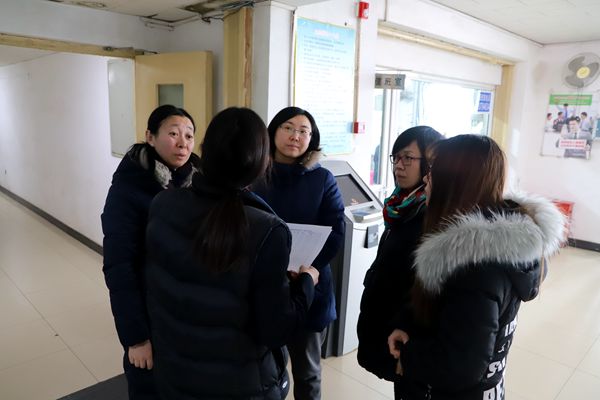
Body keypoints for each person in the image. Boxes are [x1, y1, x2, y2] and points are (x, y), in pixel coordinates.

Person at [144, 107, 319, 400]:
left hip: (176, 373)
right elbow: (276, 330)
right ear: (261, 162)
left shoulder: (163, 204)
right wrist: (306, 285)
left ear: (204, 150)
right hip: (240, 384)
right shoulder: (266, 230)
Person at [387, 134, 565, 400]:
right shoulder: (502, 249)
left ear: (455, 181)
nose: (426, 178)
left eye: (434, 171)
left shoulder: (474, 268)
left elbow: (460, 366)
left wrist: (408, 356)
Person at [101, 104, 200, 399]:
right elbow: (119, 267)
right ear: (150, 137)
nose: (182, 143)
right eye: (173, 133)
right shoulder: (129, 188)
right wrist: (136, 338)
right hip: (150, 314)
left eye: (189, 135)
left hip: (189, 314)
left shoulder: (198, 182)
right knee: (149, 388)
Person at [252, 106, 345, 400]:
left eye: (304, 131)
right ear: (273, 132)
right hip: (264, 285)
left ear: (311, 138)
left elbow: (336, 231)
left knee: (307, 372)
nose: (296, 136)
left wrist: (309, 269)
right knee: (265, 371)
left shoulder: (322, 178)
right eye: (288, 128)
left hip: (310, 283)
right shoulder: (255, 174)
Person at [357, 126, 443, 384]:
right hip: (384, 316)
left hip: (405, 329)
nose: (398, 166)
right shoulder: (399, 205)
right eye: (396, 157)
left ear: (430, 163)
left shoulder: (432, 216)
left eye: (408, 158)